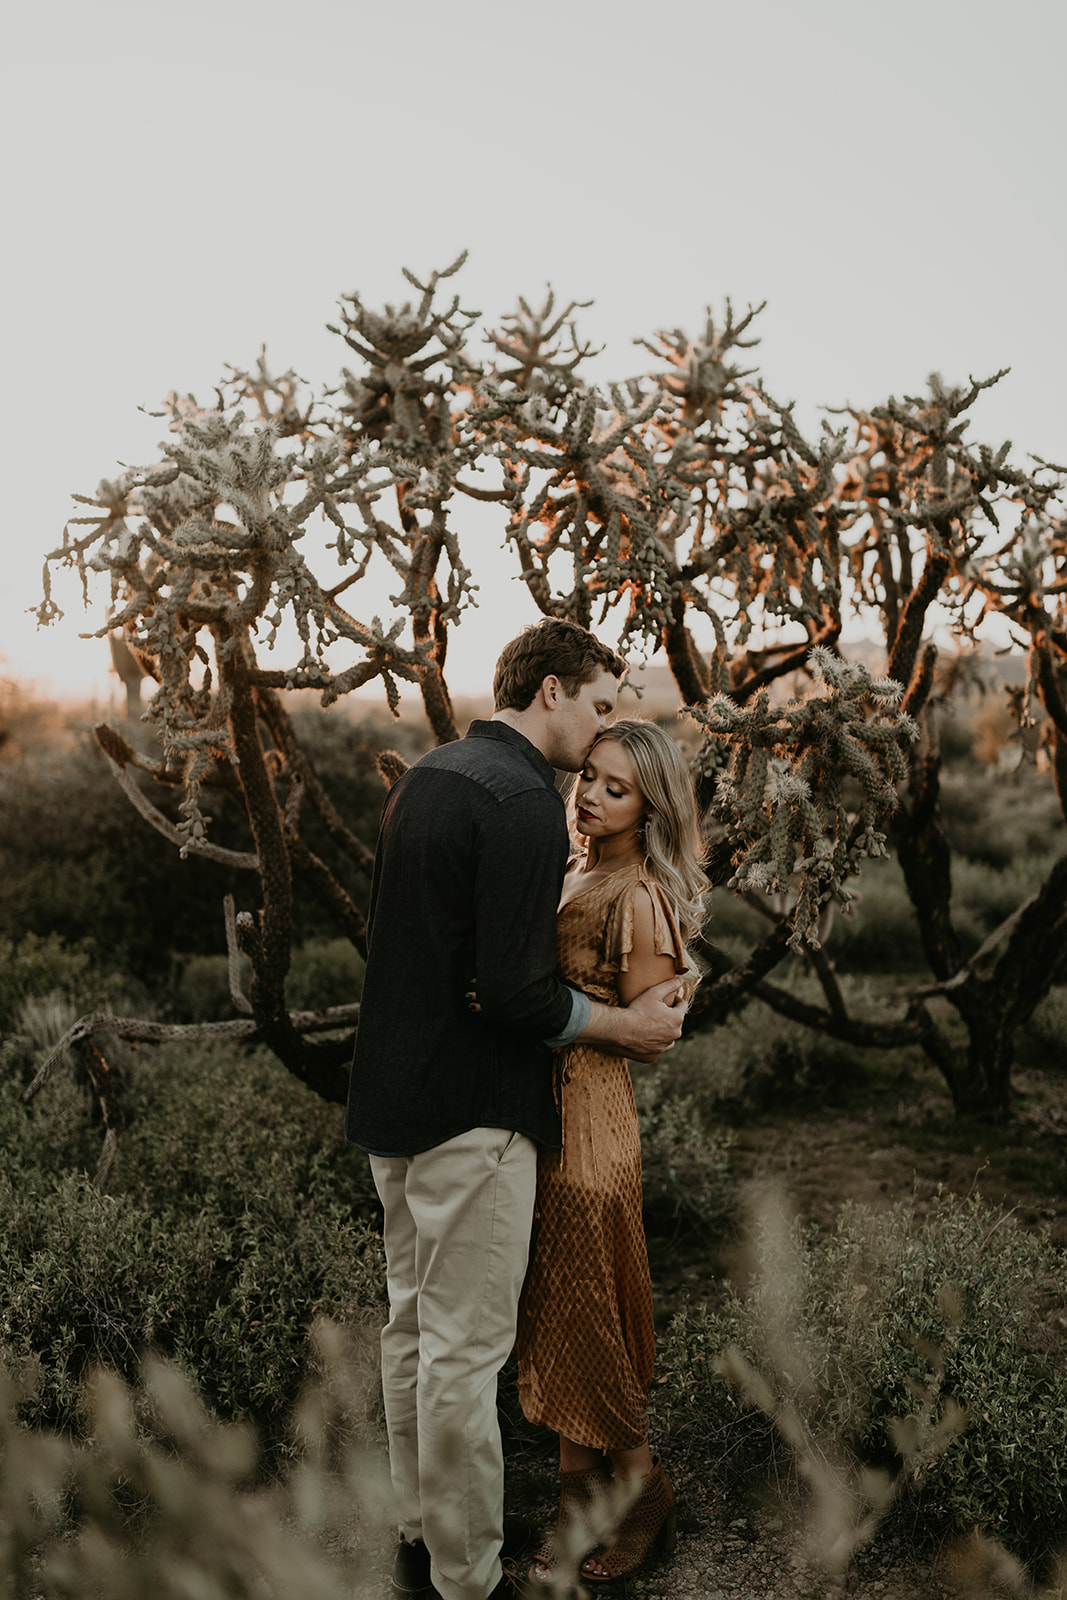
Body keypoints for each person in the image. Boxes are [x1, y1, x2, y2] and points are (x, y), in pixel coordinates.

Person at [345, 620, 688, 1600]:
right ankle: (466, 1578)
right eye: (596, 703)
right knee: (462, 1350)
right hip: (473, 1113)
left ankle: (419, 1535)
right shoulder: (526, 806)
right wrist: (621, 1028)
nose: (599, 727)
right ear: (549, 692)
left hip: (394, 1100)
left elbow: (425, 954)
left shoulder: (428, 776)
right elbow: (513, 992)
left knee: (410, 1332)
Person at [515, 718, 709, 1587]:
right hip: (541, 1109)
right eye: (588, 776)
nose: (589, 795)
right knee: (555, 1302)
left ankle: (638, 1482)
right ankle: (578, 1495)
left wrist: (560, 1015)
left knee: (583, 1300)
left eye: (614, 787)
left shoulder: (636, 895)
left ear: (650, 805)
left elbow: (652, 1033)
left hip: (588, 1119)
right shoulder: (579, 868)